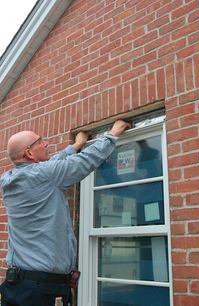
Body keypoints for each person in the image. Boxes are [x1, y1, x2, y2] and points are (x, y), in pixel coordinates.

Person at [0, 119, 131, 306]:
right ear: (29, 153)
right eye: (40, 141)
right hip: (41, 289)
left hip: (19, 285)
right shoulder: (45, 174)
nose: (46, 143)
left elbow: (51, 166)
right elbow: (83, 161)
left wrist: (75, 145)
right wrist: (111, 135)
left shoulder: (10, 179)